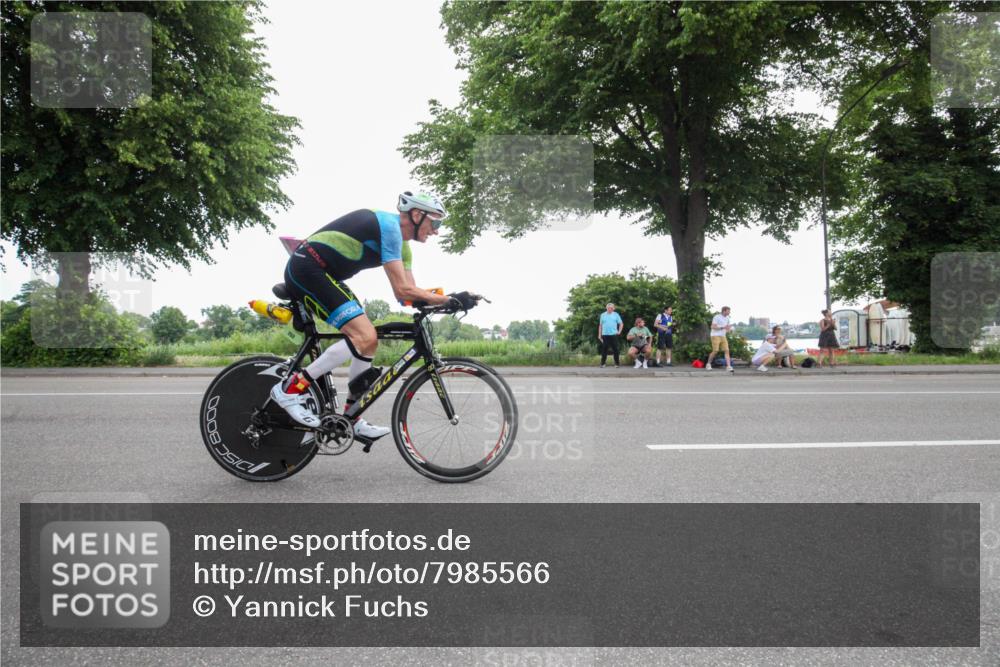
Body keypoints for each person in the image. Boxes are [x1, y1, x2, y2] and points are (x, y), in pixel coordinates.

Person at [270, 192, 472, 437]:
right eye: (436, 223)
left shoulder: (403, 248)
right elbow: (403, 289)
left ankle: (351, 417)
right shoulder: (390, 227)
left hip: (324, 274)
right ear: (417, 215)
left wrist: (448, 300)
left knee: (368, 342)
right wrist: (448, 299)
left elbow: (408, 295)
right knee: (363, 335)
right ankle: (290, 389)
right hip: (306, 268)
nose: (436, 231)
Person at [705, 306, 734, 373]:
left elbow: (727, 328)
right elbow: (713, 326)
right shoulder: (717, 317)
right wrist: (723, 327)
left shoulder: (727, 318)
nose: (729, 312)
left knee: (727, 350)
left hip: (723, 336)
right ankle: (708, 364)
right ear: (724, 311)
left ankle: (728, 366)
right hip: (715, 336)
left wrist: (730, 329)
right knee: (715, 351)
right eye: (728, 311)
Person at [598, 302, 623, 367]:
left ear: (613, 308)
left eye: (611, 308)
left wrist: (619, 331)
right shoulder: (602, 315)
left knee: (615, 349)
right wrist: (599, 335)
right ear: (606, 308)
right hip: (605, 334)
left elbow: (621, 324)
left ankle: (617, 363)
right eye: (608, 308)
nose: (610, 309)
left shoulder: (616, 315)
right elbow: (600, 325)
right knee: (604, 349)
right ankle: (603, 363)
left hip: (614, 334)